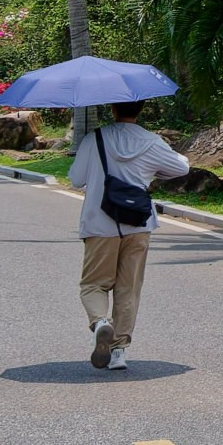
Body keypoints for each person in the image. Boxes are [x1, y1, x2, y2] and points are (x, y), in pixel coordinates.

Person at [66, 99, 189, 370]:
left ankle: (100, 322)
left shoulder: (94, 138)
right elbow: (182, 168)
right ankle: (119, 351)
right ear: (141, 109)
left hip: (100, 224)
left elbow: (75, 179)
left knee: (93, 284)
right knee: (129, 289)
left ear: (113, 109)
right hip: (138, 224)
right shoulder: (151, 140)